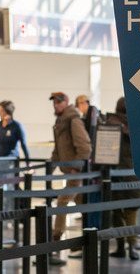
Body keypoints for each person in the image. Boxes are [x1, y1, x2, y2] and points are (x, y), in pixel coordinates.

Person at [48, 92, 91, 265]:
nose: (55, 105)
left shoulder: (73, 120)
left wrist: (76, 168)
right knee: (82, 204)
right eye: (54, 102)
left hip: (76, 173)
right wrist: (49, 167)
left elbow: (85, 146)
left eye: (59, 102)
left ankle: (55, 239)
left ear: (66, 103)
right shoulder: (61, 122)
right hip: (69, 171)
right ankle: (88, 238)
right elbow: (58, 150)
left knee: (61, 202)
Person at [107, 97, 140, 260]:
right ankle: (132, 247)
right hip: (134, 175)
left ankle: (121, 246)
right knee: (131, 214)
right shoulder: (137, 125)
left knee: (117, 213)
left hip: (115, 174)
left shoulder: (110, 123)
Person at [74, 95, 102, 231]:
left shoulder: (92, 115)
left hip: (94, 166)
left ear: (83, 103)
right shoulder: (93, 115)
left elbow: (91, 141)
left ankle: (92, 225)